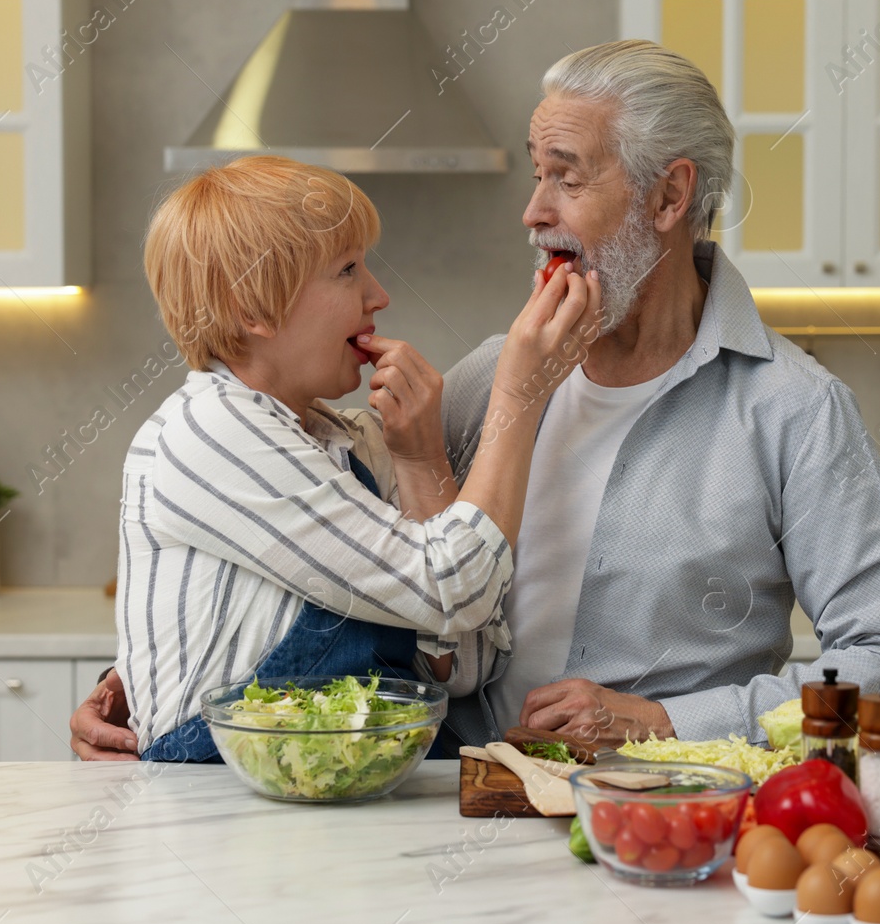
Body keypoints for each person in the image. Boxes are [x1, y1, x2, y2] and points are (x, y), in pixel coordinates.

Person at [72, 41, 880, 759]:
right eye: (535, 171)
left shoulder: (795, 411)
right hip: (449, 811)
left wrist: (667, 722)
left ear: (668, 198)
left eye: (567, 178)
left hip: (664, 820)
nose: (532, 210)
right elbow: (365, 581)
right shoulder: (486, 381)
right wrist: (142, 683)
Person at [110, 155, 599, 761]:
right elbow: (454, 588)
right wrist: (520, 396)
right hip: (221, 797)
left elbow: (467, 663)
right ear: (251, 311)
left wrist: (421, 461)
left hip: (342, 787)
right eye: (347, 271)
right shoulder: (210, 429)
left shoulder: (352, 441)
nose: (379, 294)